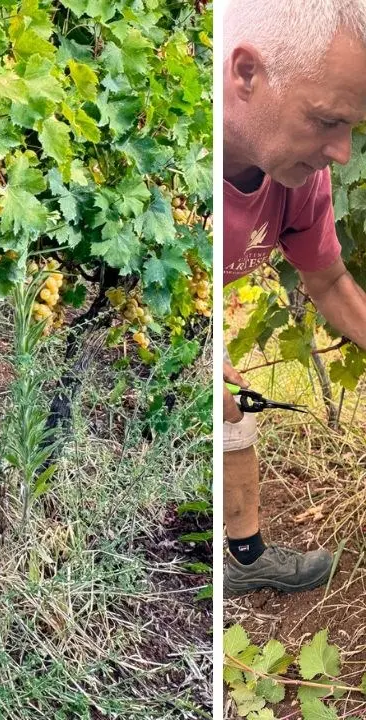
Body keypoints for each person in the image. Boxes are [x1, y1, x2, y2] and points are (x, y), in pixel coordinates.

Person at [223, 0, 366, 595]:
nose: (343, 152)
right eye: (329, 120)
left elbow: (329, 282)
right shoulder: (174, 172)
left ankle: (245, 558)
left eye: (354, 128)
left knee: (232, 416)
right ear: (247, 73)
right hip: (156, 324)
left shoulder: (299, 175)